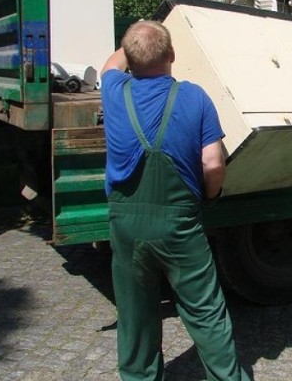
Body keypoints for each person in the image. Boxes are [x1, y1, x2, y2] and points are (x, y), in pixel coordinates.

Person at [101, 20, 250, 381]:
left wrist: (136, 40)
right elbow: (213, 163)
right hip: (180, 224)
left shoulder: (114, 90)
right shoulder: (195, 97)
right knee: (205, 310)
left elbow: (110, 64)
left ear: (132, 59)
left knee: (135, 313)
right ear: (172, 55)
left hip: (126, 226)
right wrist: (210, 195)